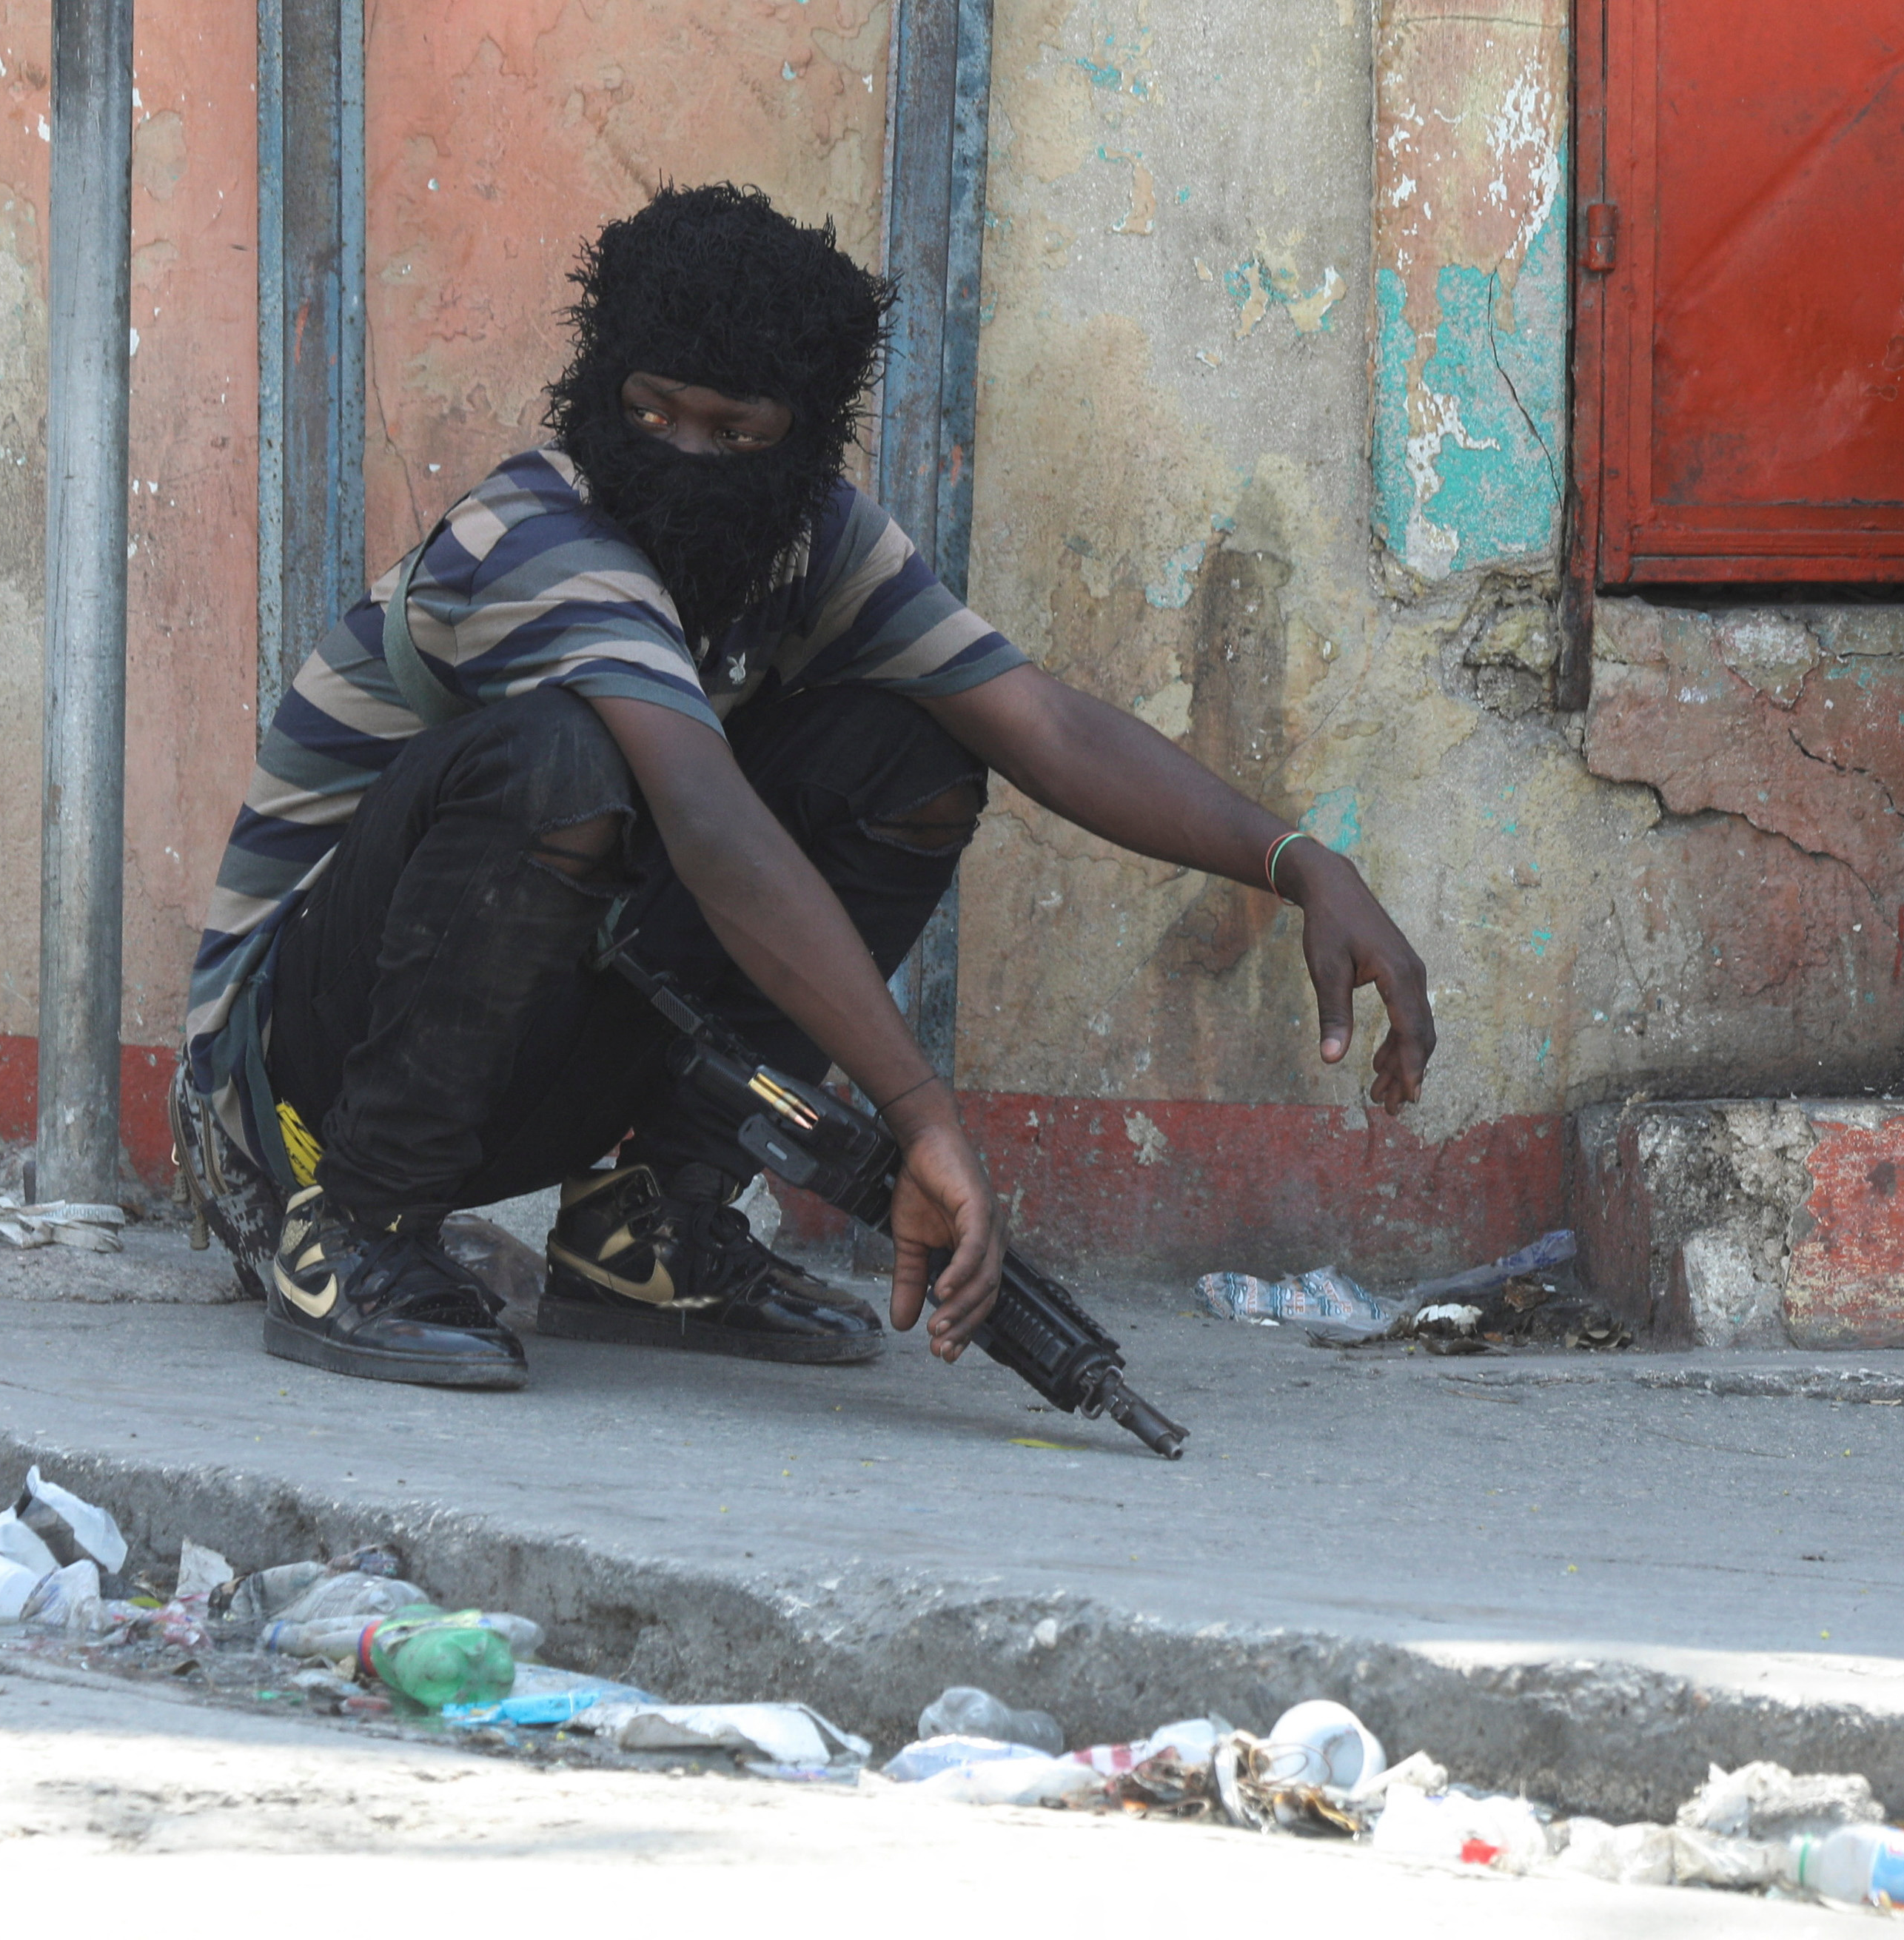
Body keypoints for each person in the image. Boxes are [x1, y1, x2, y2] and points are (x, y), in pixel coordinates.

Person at [175, 184, 1438, 1391]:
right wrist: (918, 1111)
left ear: (804, 436)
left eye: (737, 433)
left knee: (913, 754)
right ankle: (354, 1231)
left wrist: (1297, 861)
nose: (683, 455)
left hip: (528, 1044)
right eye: (654, 411)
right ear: (600, 388)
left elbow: (1037, 719)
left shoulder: (809, 546)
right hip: (303, 1078)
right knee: (563, 758)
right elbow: (718, 831)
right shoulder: (540, 539)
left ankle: (647, 1228)